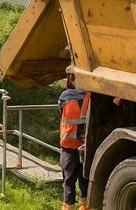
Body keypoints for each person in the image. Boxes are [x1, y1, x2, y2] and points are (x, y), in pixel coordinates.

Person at [59, 73, 90, 210]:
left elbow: (60, 113)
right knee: (84, 180)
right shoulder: (89, 97)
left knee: (69, 182)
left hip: (68, 145)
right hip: (85, 144)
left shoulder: (64, 97)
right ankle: (85, 206)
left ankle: (68, 207)